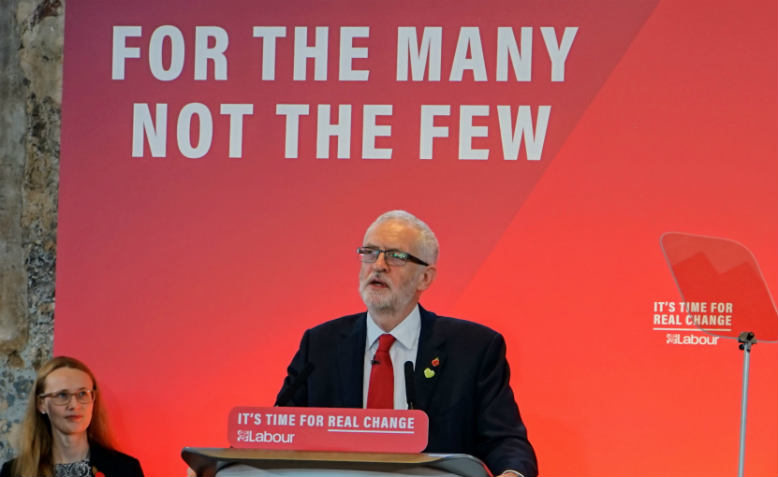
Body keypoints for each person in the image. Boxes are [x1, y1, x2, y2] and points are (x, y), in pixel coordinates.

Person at [277, 210, 538, 477]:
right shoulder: (321, 345)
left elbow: (505, 441)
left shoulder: (474, 349)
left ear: (425, 278)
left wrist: (511, 473)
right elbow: (280, 432)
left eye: (395, 256)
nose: (378, 265)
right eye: (370, 252)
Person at [0, 356, 144, 477]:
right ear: (41, 404)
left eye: (82, 394)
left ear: (93, 399)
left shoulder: (125, 469)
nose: (74, 405)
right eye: (62, 395)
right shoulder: (14, 472)